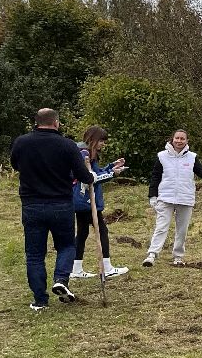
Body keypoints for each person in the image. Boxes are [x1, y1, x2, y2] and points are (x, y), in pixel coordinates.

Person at [10, 108, 94, 310]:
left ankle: (40, 300)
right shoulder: (67, 145)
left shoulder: (21, 142)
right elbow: (84, 176)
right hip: (61, 204)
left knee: (35, 254)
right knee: (66, 245)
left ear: (36, 122)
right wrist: (90, 175)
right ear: (56, 122)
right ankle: (61, 279)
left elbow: (15, 165)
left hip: (32, 204)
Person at [143, 129, 202, 267]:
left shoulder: (192, 157)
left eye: (182, 139)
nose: (179, 141)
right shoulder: (162, 156)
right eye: (177, 138)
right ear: (172, 139)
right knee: (161, 227)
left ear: (187, 141)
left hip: (185, 198)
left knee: (182, 229)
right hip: (165, 198)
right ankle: (152, 254)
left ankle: (178, 257)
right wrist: (152, 196)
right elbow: (155, 177)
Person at [71, 125, 129, 281]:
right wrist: (112, 174)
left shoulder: (90, 154)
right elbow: (92, 179)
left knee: (82, 232)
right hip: (86, 200)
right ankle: (107, 267)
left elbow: (96, 173)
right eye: (102, 141)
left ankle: (76, 268)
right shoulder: (84, 155)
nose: (104, 144)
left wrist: (111, 166)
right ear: (94, 139)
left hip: (84, 201)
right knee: (102, 231)